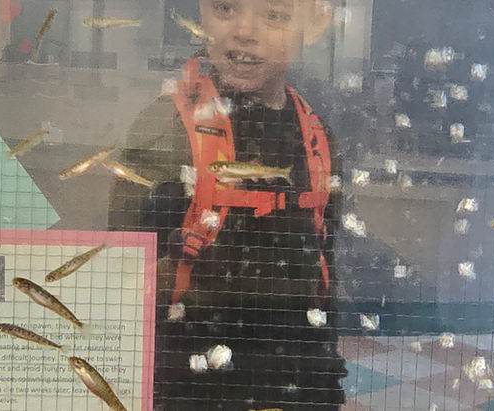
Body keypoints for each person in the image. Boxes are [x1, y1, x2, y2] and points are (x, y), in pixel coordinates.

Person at [107, 1, 346, 410]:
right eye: (225, 7)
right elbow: (123, 275)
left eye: (274, 15)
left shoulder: (318, 137)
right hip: (189, 383)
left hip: (294, 377)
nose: (244, 30)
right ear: (200, 15)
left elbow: (324, 266)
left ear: (312, 25)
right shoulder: (165, 131)